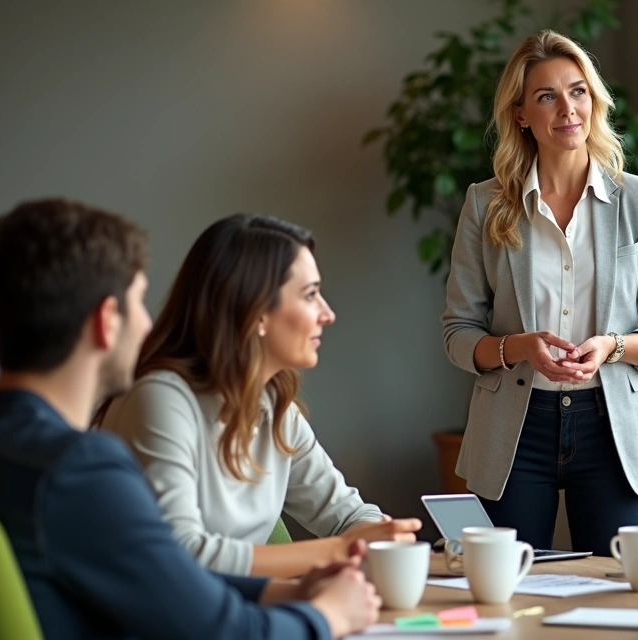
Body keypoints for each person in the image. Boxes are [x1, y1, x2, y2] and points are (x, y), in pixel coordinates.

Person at [0, 198, 380, 639]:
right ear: (106, 322)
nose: (147, 323)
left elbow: (164, 583)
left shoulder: (8, 448)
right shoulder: (80, 470)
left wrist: (278, 593)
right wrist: (328, 615)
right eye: (137, 302)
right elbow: (220, 629)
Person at [441, 29, 638, 556]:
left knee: (615, 598)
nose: (567, 108)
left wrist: (613, 347)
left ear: (594, 100)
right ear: (521, 114)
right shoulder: (486, 205)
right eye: (546, 96)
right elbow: (458, 334)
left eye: (578, 91)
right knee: (503, 591)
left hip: (613, 428)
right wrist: (518, 348)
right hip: (513, 429)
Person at [98, 214, 421, 578]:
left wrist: (383, 535)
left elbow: (348, 515)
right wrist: (335, 551)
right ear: (256, 314)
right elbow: (180, 554)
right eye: (310, 295)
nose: (327, 314)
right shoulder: (160, 400)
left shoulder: (273, 405)